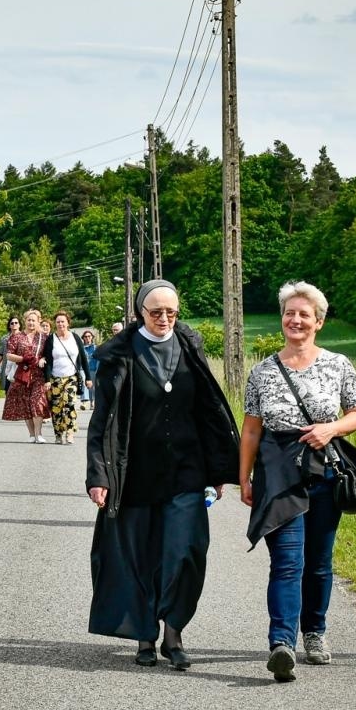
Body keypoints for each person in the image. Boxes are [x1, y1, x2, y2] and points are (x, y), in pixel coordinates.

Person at [85, 280, 239, 670]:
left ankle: (174, 632)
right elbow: (102, 421)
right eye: (156, 312)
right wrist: (98, 475)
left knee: (186, 551)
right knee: (140, 557)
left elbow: (209, 410)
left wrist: (219, 468)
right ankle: (144, 636)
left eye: (171, 311)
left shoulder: (190, 346)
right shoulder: (119, 355)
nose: (165, 319)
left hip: (187, 471)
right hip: (134, 473)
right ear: (140, 313)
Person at [239, 281, 356, 683]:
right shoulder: (261, 371)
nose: (295, 320)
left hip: (325, 473)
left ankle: (314, 633)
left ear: (319, 322)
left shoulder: (338, 365)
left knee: (318, 564)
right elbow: (250, 431)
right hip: (277, 476)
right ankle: (281, 643)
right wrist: (243, 478)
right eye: (289, 313)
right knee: (287, 561)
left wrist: (330, 429)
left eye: (304, 314)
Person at [39, 311, 90, 444]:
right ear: (55, 324)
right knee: (56, 407)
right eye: (58, 322)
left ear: (68, 323)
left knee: (69, 404)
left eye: (63, 321)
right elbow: (48, 361)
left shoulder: (75, 338)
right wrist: (47, 380)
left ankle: (70, 432)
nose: (60, 324)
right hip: (55, 378)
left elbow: (83, 359)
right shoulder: (51, 339)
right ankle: (58, 434)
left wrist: (88, 378)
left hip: (71, 377)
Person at [2, 308, 50, 442]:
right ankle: (31, 434)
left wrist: (43, 359)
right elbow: (9, 355)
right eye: (29, 320)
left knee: (37, 402)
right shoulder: (16, 337)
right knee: (25, 404)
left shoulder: (44, 337)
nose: (31, 323)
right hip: (22, 374)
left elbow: (49, 353)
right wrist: (23, 359)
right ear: (25, 321)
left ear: (38, 322)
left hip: (38, 375)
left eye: (34, 320)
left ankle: (39, 434)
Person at [0, 316, 21, 396]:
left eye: (16, 323)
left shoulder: (24, 337)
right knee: (8, 391)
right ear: (9, 325)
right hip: (7, 368)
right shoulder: (5, 338)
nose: (14, 324)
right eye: (12, 323)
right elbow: (0, 354)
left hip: (19, 368)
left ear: (19, 325)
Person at [80, 329, 98, 411]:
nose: (87, 338)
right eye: (85, 336)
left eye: (89, 336)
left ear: (92, 337)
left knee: (92, 387)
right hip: (83, 369)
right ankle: (84, 402)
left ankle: (92, 402)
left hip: (93, 368)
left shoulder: (95, 348)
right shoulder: (81, 348)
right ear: (83, 338)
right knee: (84, 382)